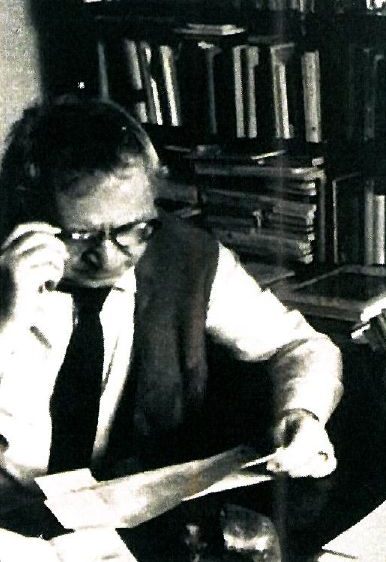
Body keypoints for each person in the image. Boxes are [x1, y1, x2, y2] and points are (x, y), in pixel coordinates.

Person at [0, 96, 343, 550]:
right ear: (27, 215)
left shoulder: (186, 258)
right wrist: (7, 321)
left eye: (132, 229)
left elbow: (299, 346)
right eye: (80, 235)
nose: (109, 257)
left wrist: (301, 414)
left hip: (126, 529)